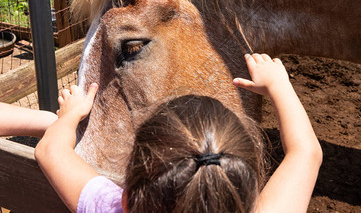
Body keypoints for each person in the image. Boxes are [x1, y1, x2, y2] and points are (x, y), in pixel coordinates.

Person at [34, 53, 322, 213]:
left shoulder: (111, 209)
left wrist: (70, 116)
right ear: (248, 198)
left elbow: (51, 150)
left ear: (126, 199)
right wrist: (280, 86)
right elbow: (306, 153)